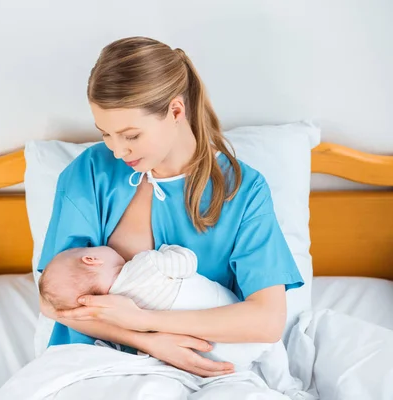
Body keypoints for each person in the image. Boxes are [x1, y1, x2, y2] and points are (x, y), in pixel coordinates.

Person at [37, 36, 304, 379]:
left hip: (208, 368)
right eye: (105, 134)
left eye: (130, 135)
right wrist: (149, 341)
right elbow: (52, 300)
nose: (117, 151)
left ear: (176, 111)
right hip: (93, 364)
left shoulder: (242, 191)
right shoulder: (89, 172)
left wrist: (148, 323)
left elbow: (267, 320)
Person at [37, 244, 312, 397]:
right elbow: (186, 261)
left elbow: (52, 308)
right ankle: (289, 388)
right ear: (91, 258)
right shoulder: (144, 264)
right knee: (272, 350)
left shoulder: (110, 314)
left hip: (208, 358)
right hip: (242, 331)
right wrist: (166, 250)